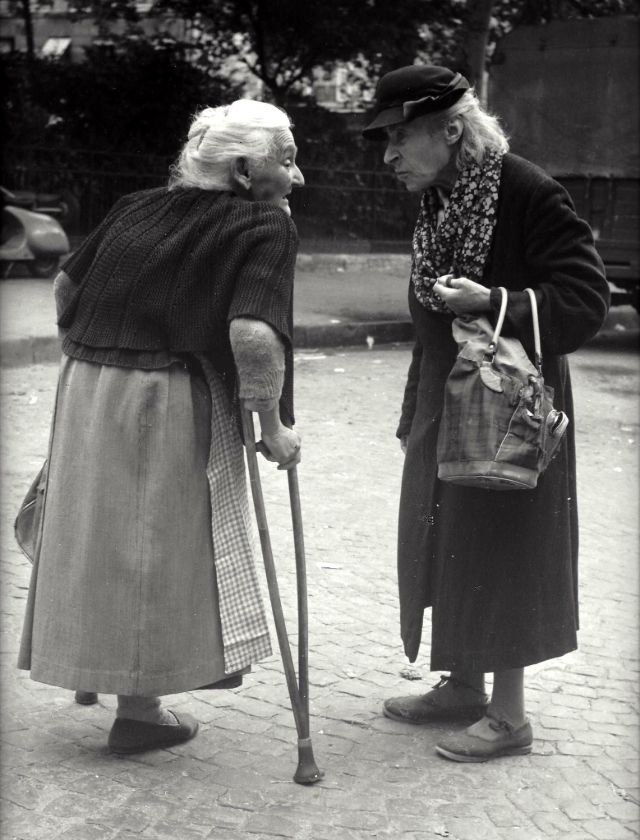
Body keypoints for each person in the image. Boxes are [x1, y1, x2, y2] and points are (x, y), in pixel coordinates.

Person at [17, 99, 305, 754]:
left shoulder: (136, 207)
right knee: (152, 543)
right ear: (242, 170)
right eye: (287, 161)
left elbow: (65, 287)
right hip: (164, 394)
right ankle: (139, 712)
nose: (298, 176)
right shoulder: (264, 224)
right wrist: (272, 428)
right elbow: (253, 335)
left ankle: (116, 685)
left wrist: (91, 352)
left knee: (103, 534)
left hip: (88, 388)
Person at [362, 65, 610, 762]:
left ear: (451, 129)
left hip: (509, 404)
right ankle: (463, 685)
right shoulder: (441, 198)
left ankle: (509, 715)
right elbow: (430, 321)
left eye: (399, 138)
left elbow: (586, 299)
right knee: (450, 534)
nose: (388, 156)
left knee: (503, 541)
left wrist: (495, 301)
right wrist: (415, 405)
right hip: (448, 395)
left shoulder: (526, 190)